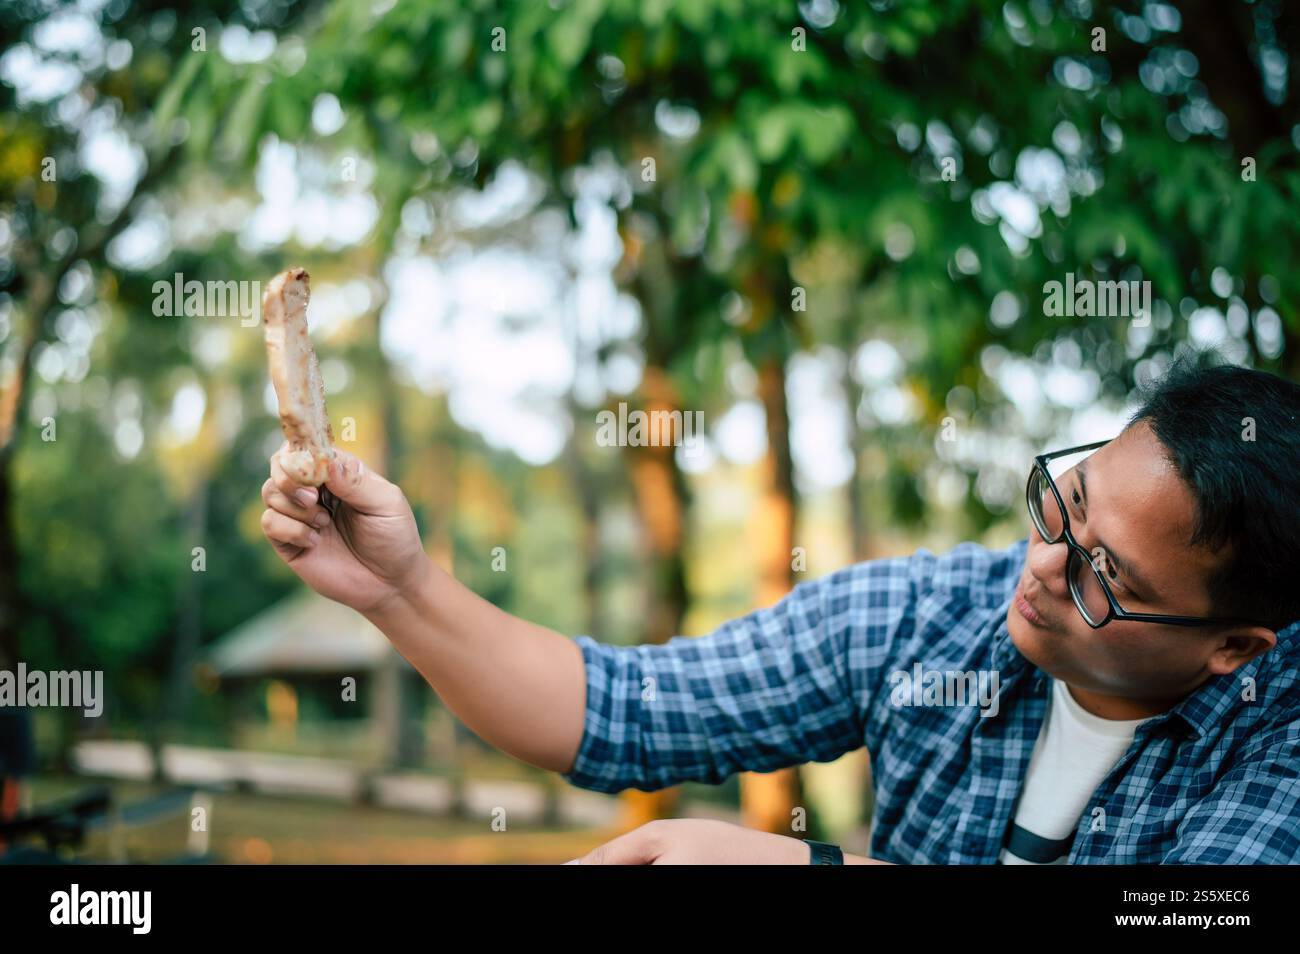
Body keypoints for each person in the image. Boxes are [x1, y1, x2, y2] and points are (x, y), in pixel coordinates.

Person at [259, 361, 1300, 864]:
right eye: (1058, 507)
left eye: (1101, 576)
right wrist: (401, 589)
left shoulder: (1280, 739)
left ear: (1230, 647)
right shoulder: (928, 620)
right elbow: (623, 708)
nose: (1038, 566)